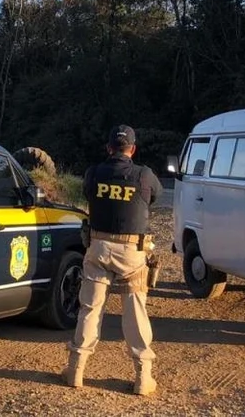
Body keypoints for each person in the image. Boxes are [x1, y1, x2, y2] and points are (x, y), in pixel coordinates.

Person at [62, 125, 164, 396]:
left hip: (98, 248)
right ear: (133, 149)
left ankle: (76, 371)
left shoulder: (94, 173)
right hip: (132, 253)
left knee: (90, 309)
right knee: (135, 312)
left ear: (108, 148)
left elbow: (87, 193)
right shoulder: (144, 175)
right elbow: (155, 196)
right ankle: (143, 377)